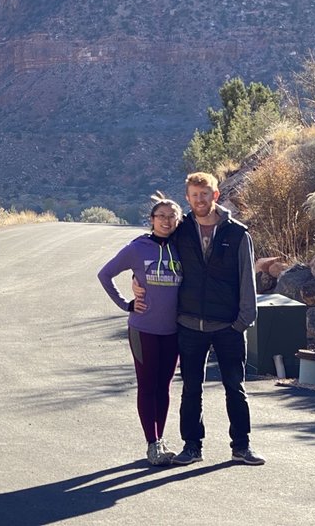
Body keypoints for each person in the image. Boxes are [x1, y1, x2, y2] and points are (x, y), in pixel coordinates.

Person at [138, 172, 265, 466]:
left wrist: (243, 320)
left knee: (235, 388)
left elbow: (247, 279)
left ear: (215, 195)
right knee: (191, 389)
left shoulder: (237, 234)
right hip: (189, 325)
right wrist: (137, 280)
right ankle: (192, 447)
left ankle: (242, 447)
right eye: (194, 195)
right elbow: (151, 248)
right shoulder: (180, 230)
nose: (200, 200)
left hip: (228, 325)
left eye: (205, 194)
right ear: (188, 198)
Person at [97, 194, 184, 466]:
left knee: (164, 386)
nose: (166, 221)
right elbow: (105, 274)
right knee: (147, 385)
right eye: (161, 216)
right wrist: (126, 303)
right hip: (143, 329)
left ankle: (161, 439)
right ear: (152, 219)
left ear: (179, 220)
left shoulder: (183, 248)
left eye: (172, 217)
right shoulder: (138, 248)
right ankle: (152, 443)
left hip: (173, 330)